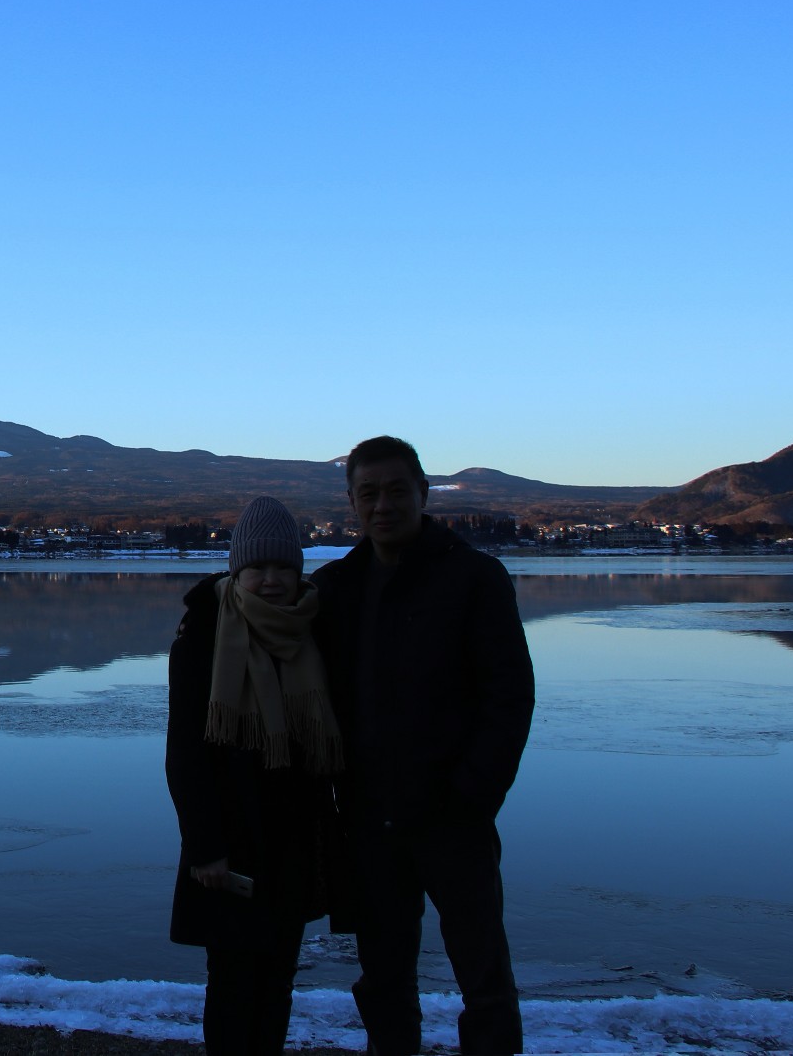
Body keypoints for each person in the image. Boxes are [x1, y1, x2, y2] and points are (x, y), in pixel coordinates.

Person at [312, 436, 535, 1055]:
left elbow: (510, 698)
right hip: (368, 818)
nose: (382, 505)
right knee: (383, 976)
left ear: (422, 494)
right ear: (352, 501)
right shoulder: (337, 587)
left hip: (452, 815)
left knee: (482, 974)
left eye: (396, 491)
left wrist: (472, 795)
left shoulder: (474, 578)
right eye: (368, 494)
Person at [166, 495, 344, 1053]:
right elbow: (185, 754)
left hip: (296, 837)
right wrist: (205, 848)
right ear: (236, 570)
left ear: (298, 571)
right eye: (257, 568)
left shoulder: (317, 630)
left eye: (283, 568)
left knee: (278, 980)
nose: (270, 582)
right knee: (233, 981)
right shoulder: (202, 636)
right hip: (232, 837)